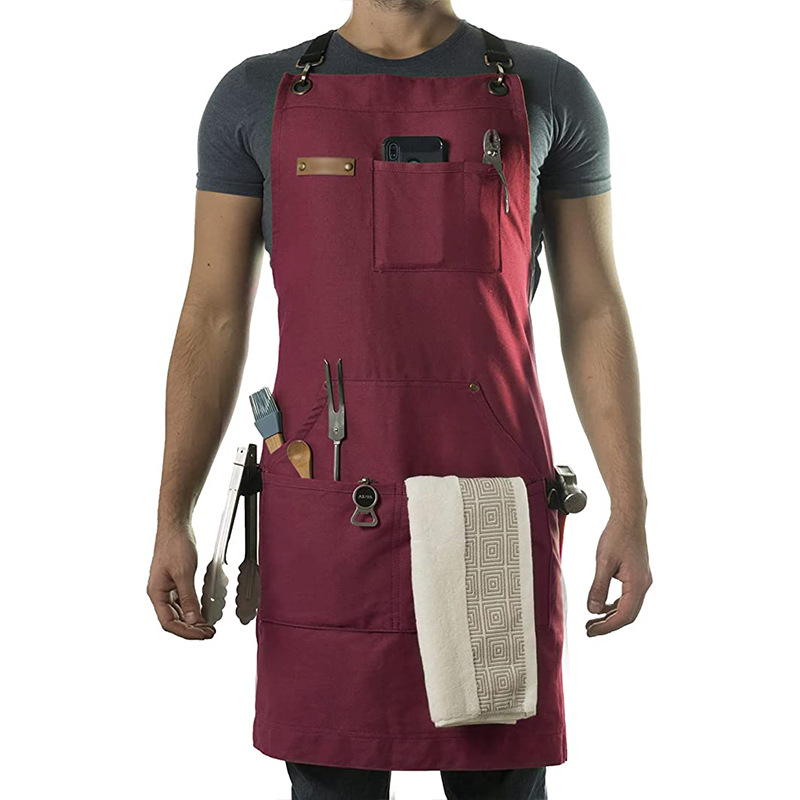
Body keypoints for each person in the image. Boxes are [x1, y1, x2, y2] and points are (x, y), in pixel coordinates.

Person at [147, 1, 653, 798]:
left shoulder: (547, 89)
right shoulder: (254, 96)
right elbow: (212, 318)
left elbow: (593, 310)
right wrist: (171, 514)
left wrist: (631, 505)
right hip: (326, 519)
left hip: (490, 514)